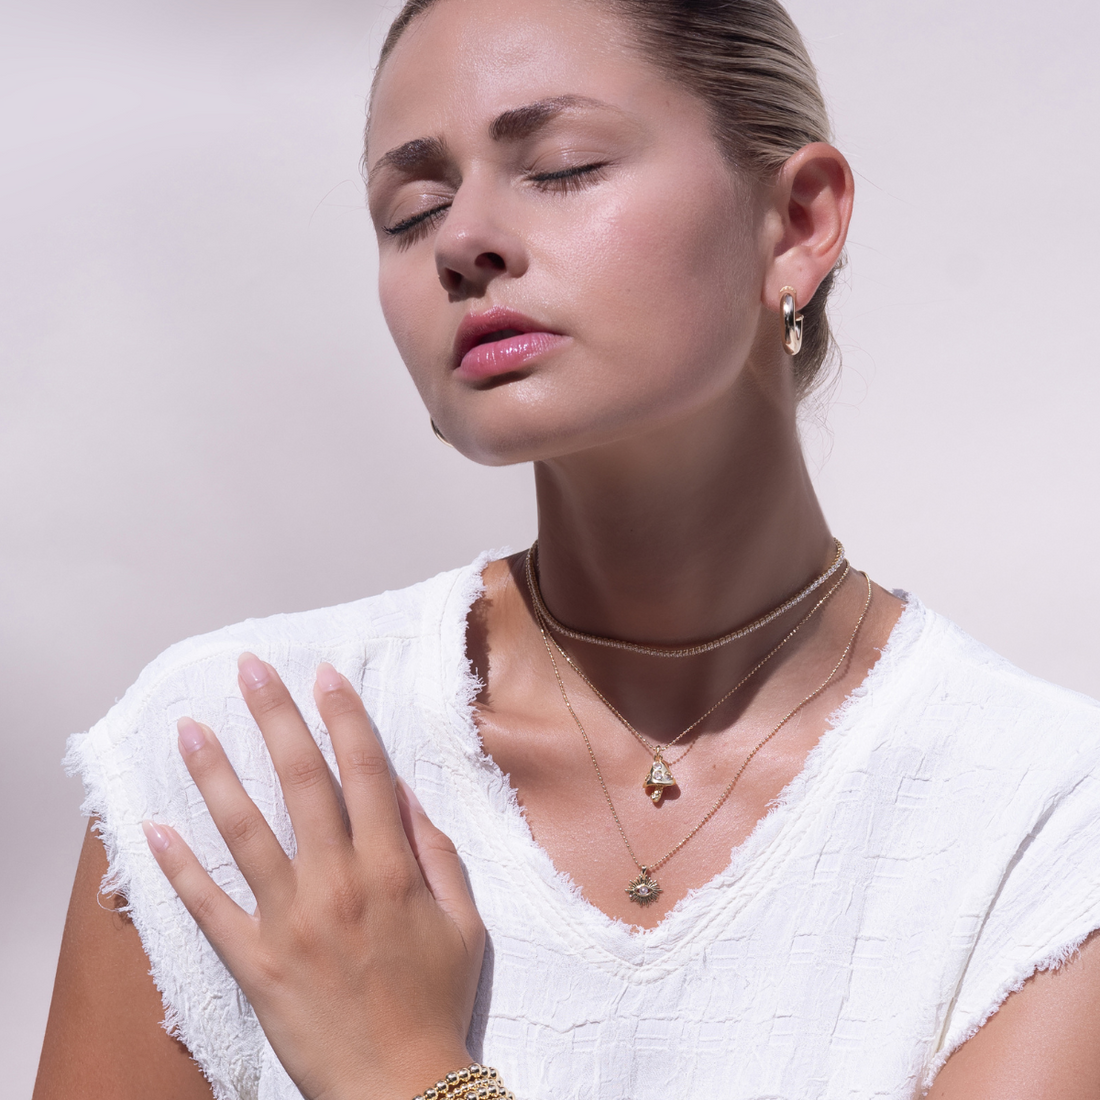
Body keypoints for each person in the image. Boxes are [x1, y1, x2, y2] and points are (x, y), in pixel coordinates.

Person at [33, 0, 1100, 1097]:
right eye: (411, 211)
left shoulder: (1043, 826)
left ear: (795, 222)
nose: (462, 243)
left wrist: (398, 1066)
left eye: (561, 167)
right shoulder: (240, 761)